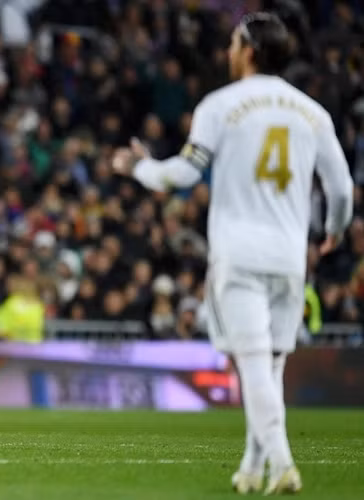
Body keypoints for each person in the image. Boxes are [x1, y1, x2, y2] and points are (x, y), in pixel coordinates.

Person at [112, 12, 353, 495]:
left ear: (249, 50)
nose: (227, 51)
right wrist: (334, 231)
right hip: (289, 257)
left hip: (239, 254)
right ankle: (250, 467)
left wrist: (138, 167)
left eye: (232, 43)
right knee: (269, 365)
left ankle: (283, 464)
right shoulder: (314, 113)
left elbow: (181, 175)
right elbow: (342, 189)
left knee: (253, 363)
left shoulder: (219, 105)